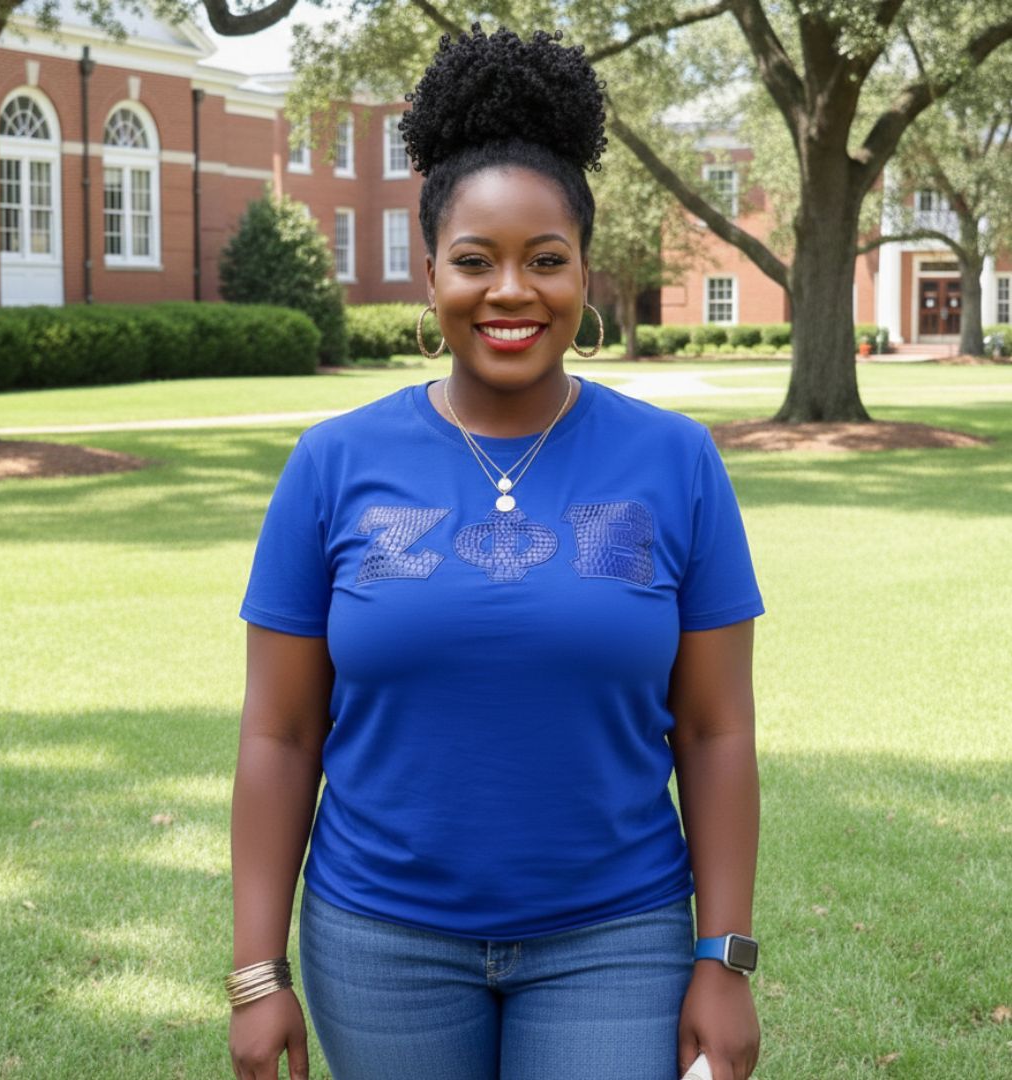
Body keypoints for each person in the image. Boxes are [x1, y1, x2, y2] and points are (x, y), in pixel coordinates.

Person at [227, 23, 764, 1080]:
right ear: (429, 274)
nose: (509, 291)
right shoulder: (333, 465)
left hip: (616, 938)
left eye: (544, 260)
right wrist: (257, 972)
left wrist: (725, 958)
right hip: (380, 941)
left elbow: (714, 728)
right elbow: (281, 734)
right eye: (474, 261)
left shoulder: (675, 462)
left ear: (584, 273)